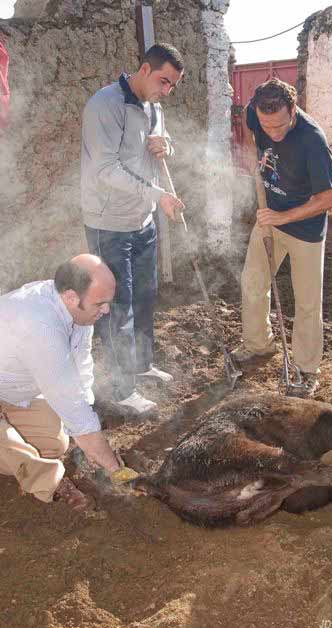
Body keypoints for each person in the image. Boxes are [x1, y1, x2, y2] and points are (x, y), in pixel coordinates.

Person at [81, 42, 185, 414]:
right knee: (118, 305)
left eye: (172, 86)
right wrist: (158, 195)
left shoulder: (154, 107)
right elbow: (105, 170)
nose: (166, 91)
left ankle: (141, 365)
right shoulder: (104, 105)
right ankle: (122, 391)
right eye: (163, 81)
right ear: (144, 69)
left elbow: (159, 146)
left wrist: (165, 146)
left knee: (144, 295)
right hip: (109, 224)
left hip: (142, 220)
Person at [0, 255, 136, 511]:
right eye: (101, 303)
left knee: (53, 444)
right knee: (25, 452)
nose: (106, 310)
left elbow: (81, 367)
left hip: (10, 392)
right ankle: (50, 482)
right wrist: (113, 467)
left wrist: (88, 433)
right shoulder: (40, 325)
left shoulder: (78, 314)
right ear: (72, 296)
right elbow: (70, 404)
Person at [232, 78, 332, 397]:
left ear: (293, 110)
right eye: (268, 126)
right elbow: (252, 132)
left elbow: (331, 197)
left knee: (307, 302)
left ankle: (307, 369)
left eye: (280, 126)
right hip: (269, 216)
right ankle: (258, 344)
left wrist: (283, 217)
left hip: (304, 228)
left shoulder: (312, 140)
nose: (273, 133)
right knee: (252, 282)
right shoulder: (255, 114)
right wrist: (255, 157)